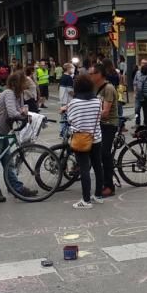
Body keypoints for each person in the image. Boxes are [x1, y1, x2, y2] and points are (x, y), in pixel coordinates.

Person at [0, 70, 38, 202]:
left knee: (9, 163)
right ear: (17, 83)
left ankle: (16, 188)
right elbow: (13, 112)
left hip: (3, 133)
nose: (27, 83)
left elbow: (21, 109)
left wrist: (25, 112)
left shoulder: (18, 95)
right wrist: (25, 115)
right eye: (24, 82)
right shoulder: (9, 93)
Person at [64, 73, 105, 209]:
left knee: (84, 169)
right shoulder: (97, 100)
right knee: (98, 166)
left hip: (81, 140)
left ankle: (86, 200)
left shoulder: (74, 103)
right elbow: (99, 117)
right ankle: (98, 195)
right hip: (96, 138)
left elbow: (70, 120)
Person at [90, 62, 119, 197]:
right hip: (99, 123)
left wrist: (88, 114)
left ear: (100, 75)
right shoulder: (95, 87)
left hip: (109, 124)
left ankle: (109, 186)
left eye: (92, 73)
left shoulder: (108, 88)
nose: (90, 76)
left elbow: (106, 112)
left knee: (104, 153)